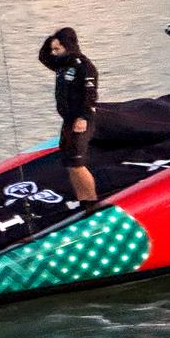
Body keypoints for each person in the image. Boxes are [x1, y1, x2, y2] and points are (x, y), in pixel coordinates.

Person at [39, 27, 98, 209]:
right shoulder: (61, 64)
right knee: (69, 162)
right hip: (68, 120)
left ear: (68, 46)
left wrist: (83, 117)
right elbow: (43, 57)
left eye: (58, 49)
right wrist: (51, 40)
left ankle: (92, 202)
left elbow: (90, 94)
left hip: (82, 119)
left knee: (77, 162)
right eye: (53, 50)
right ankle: (83, 201)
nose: (54, 53)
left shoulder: (84, 66)